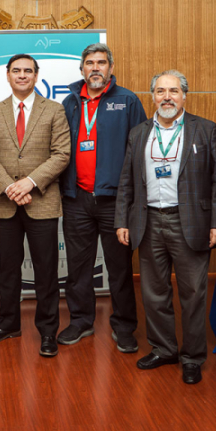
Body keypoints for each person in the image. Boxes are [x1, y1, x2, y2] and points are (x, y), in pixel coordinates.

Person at [115, 70, 216, 385]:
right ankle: (164, 349)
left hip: (190, 221)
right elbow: (126, 180)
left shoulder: (204, 129)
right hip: (147, 221)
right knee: (153, 292)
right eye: (160, 91)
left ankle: (192, 358)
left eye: (173, 91)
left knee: (193, 293)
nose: (167, 97)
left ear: (184, 96)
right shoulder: (138, 133)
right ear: (152, 96)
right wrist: (122, 219)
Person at [0, 54, 71, 357]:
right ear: (7, 75)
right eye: (16, 70)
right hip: (5, 204)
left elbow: (61, 154)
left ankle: (47, 333)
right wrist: (9, 187)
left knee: (46, 271)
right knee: (7, 270)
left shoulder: (54, 110)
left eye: (27, 71)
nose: (21, 75)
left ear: (36, 75)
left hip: (41, 202)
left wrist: (28, 183)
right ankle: (8, 324)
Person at [58, 43, 146, 354]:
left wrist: (133, 198)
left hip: (115, 201)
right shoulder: (69, 102)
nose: (96, 68)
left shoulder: (127, 100)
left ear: (110, 68)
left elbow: (140, 151)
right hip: (77, 198)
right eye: (90, 63)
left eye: (101, 62)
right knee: (78, 267)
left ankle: (123, 326)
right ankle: (81, 321)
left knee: (119, 268)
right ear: (82, 69)